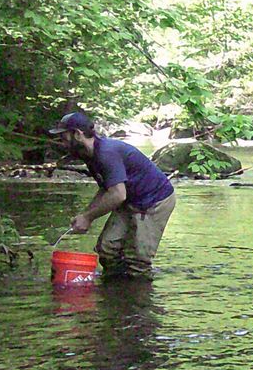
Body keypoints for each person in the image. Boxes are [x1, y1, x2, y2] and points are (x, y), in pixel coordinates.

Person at [50, 111, 176, 279]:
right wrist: (85, 215)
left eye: (63, 137)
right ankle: (115, 291)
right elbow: (106, 189)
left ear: (78, 134)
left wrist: (88, 217)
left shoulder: (106, 153)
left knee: (138, 261)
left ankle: (139, 300)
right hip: (131, 199)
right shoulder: (90, 155)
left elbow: (117, 195)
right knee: (107, 250)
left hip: (154, 201)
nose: (62, 143)